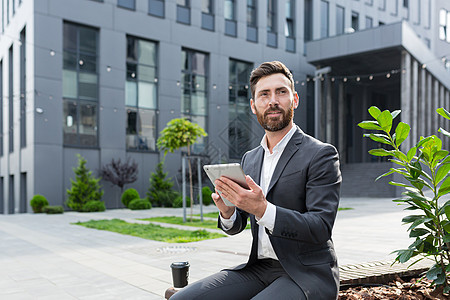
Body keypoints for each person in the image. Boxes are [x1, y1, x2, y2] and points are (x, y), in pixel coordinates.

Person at [171, 61, 341, 300]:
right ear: (253, 105)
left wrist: (263, 209)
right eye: (264, 94)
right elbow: (239, 223)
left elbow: (320, 227)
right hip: (259, 269)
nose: (273, 100)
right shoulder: (250, 159)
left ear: (295, 100)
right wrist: (228, 212)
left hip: (307, 273)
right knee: (181, 299)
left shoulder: (321, 154)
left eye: (281, 92)